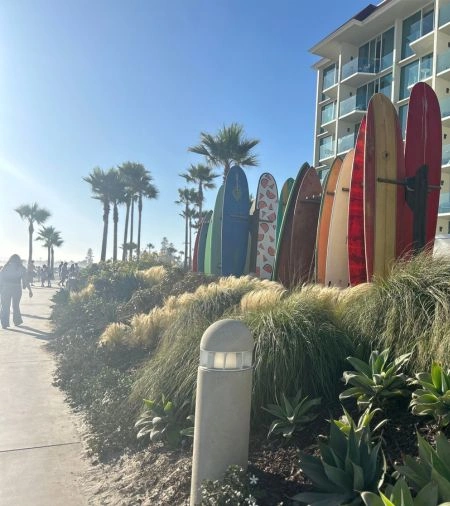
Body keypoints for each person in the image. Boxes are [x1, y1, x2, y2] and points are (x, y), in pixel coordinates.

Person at [0, 254, 33, 329]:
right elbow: (25, 281)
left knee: (5, 306)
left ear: (10, 259)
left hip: (6, 288)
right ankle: (17, 321)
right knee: (15, 306)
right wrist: (29, 290)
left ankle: (4, 323)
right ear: (19, 260)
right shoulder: (22, 268)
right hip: (17, 288)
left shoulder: (5, 268)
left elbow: (0, 279)